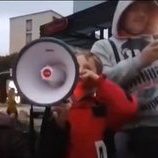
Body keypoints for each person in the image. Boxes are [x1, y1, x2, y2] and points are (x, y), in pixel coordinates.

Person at [37, 52, 138, 158]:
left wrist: (99, 82)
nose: (80, 71)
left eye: (87, 68)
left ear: (97, 75)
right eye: (76, 67)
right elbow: (46, 149)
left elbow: (128, 109)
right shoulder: (58, 107)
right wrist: (59, 126)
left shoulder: (101, 107)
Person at [91, 1, 158, 158]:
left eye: (145, 11)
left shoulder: (154, 42)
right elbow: (99, 83)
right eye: (135, 10)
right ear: (122, 14)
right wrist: (140, 60)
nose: (141, 15)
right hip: (127, 130)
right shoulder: (103, 46)